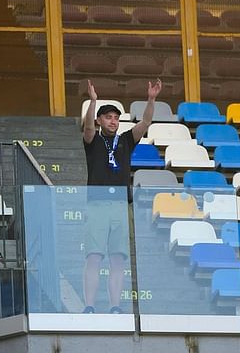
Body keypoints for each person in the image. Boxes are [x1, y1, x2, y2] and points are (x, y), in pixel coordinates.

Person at [81, 78, 162, 314]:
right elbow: (87, 128)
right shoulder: (93, 140)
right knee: (94, 257)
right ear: (99, 120)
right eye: (108, 117)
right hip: (96, 204)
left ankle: (115, 306)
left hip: (120, 205)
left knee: (118, 259)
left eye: (116, 117)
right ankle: (89, 305)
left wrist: (151, 99)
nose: (113, 121)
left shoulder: (126, 139)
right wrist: (93, 102)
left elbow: (146, 121)